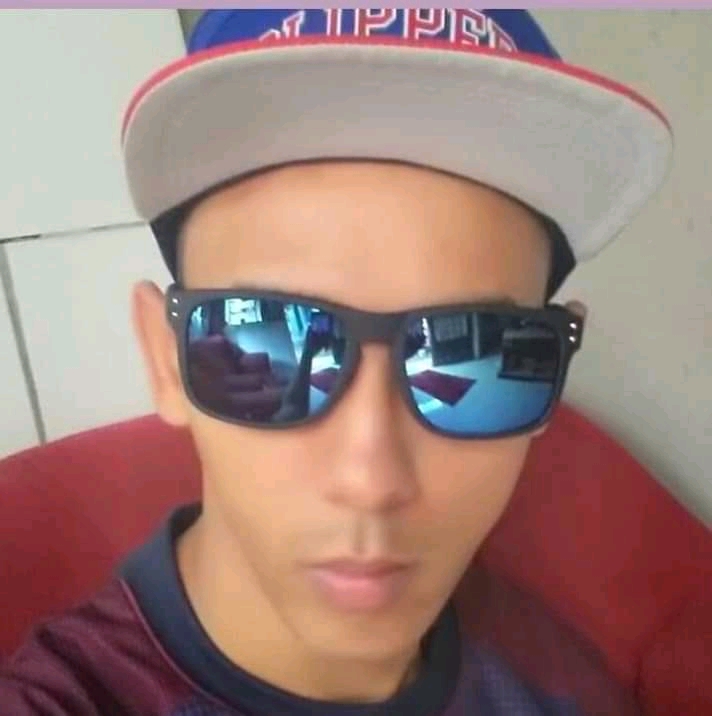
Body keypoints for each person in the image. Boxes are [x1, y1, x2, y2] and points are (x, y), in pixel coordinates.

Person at [0, 9, 672, 715]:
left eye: (492, 350)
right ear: (165, 360)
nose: (370, 480)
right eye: (273, 338)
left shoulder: (561, 683)